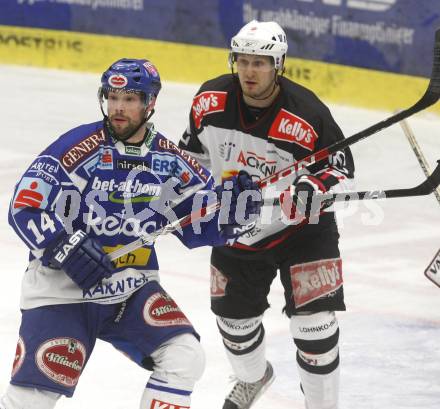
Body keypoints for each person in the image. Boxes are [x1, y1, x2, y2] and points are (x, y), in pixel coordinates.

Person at [1, 58, 261, 409]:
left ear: (150, 103)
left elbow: (197, 224)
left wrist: (234, 215)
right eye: (113, 97)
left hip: (129, 287)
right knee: (32, 397)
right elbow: (23, 206)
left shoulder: (170, 160)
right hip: (62, 292)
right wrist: (66, 247)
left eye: (130, 99)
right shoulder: (78, 147)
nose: (118, 108)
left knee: (184, 356)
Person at [178, 20, 355, 409]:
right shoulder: (210, 101)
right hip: (237, 226)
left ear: (278, 64)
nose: (249, 71)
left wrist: (312, 186)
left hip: (305, 230)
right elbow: (190, 160)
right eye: (242, 61)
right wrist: (202, 196)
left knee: (315, 329)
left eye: (260, 63)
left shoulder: (305, 113)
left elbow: (341, 162)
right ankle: (254, 379)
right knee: (235, 328)